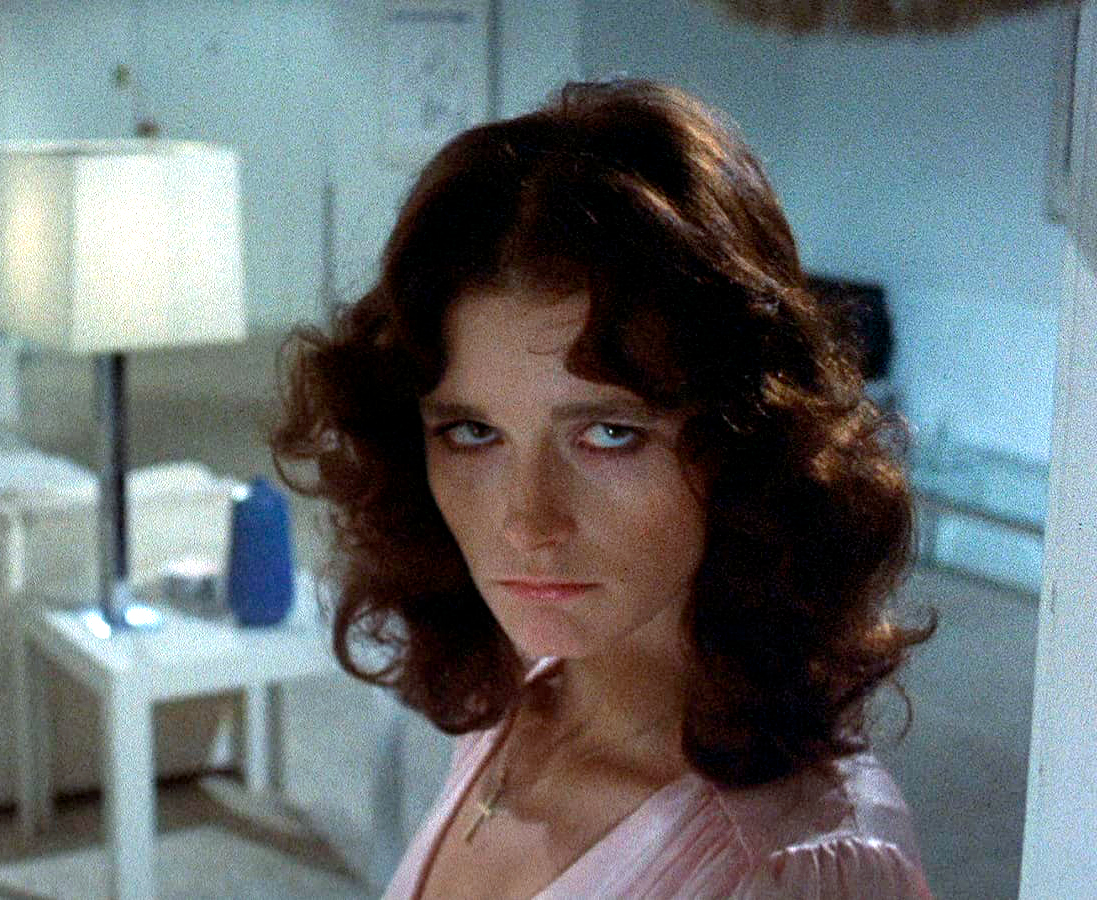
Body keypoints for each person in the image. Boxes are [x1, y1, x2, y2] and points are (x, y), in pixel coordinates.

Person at [272, 79, 936, 898]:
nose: (526, 522)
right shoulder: (524, 703)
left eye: (609, 434)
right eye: (472, 432)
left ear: (745, 444)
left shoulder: (795, 865)